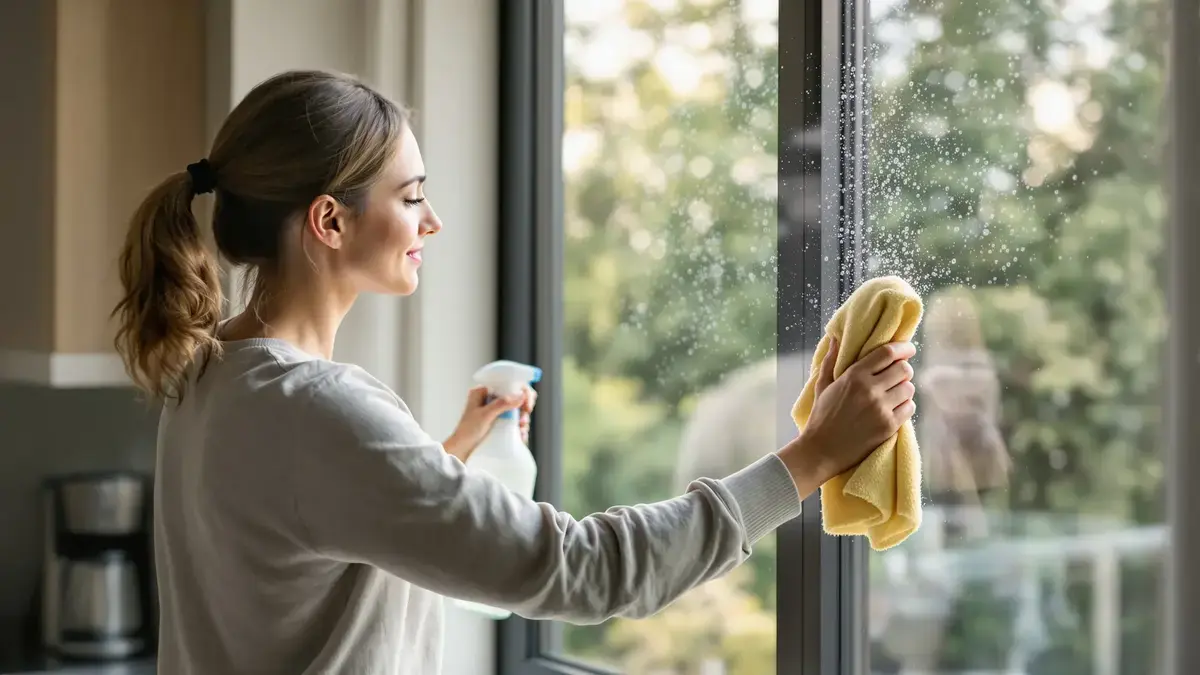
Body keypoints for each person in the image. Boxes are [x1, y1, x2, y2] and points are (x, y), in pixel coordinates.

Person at [112, 70, 917, 675]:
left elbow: (312, 548)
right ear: (329, 219)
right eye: (412, 195)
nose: (433, 220)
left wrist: (449, 451)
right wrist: (809, 457)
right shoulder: (315, 409)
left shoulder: (210, 371)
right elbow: (590, 571)